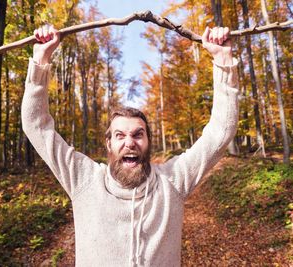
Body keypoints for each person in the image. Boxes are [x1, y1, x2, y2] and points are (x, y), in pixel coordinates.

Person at [22, 24, 239, 267]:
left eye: (138, 134)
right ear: (109, 143)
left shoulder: (173, 181)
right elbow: (36, 125)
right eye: (120, 135)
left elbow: (221, 132)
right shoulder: (83, 179)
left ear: (147, 141)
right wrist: (41, 58)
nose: (130, 143)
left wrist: (223, 60)